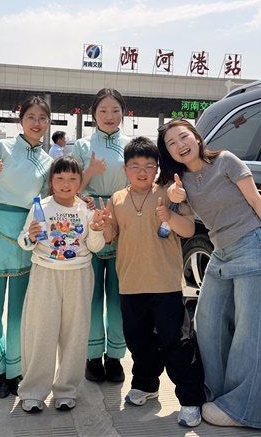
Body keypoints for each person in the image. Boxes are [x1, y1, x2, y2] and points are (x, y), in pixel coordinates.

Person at [157, 118, 261, 429]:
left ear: (197, 137)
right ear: (168, 152)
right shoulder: (180, 182)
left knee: (249, 332)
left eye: (184, 137)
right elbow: (185, 227)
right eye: (172, 143)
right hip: (220, 251)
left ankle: (241, 409)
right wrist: (173, 199)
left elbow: (256, 200)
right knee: (206, 323)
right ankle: (216, 394)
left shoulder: (225, 161)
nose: (180, 145)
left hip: (252, 244)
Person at [101, 137, 206, 428]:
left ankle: (190, 399)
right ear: (125, 169)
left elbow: (187, 230)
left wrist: (169, 214)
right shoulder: (117, 199)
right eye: (135, 166)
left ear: (157, 168)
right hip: (130, 285)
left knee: (176, 343)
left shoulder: (170, 193)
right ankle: (146, 385)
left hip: (166, 285)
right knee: (138, 340)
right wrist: (102, 223)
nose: (142, 172)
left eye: (149, 165)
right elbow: (109, 237)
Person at [0, 97, 53, 399]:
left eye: (42, 118)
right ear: (21, 120)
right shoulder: (1, 148)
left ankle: (15, 369)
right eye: (31, 116)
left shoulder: (48, 162)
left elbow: (47, 200)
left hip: (26, 235)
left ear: (48, 123)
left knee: (21, 311)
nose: (36, 123)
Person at [17, 156, 106, 413]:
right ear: (51, 181)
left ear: (80, 181)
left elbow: (96, 247)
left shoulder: (86, 210)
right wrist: (30, 236)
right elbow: (24, 242)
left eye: (72, 178)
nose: (66, 184)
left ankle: (67, 390)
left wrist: (97, 229)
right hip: (45, 274)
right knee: (40, 333)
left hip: (79, 275)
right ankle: (33, 391)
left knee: (75, 335)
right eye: (60, 178)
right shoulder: (40, 207)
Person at [71, 88, 132, 383]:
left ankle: (116, 355)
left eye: (115, 110)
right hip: (90, 220)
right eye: (103, 111)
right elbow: (69, 186)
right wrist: (91, 173)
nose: (110, 116)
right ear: (93, 113)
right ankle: (93, 355)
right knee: (91, 295)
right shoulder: (81, 146)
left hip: (123, 220)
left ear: (124, 113)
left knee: (120, 295)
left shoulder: (131, 145)